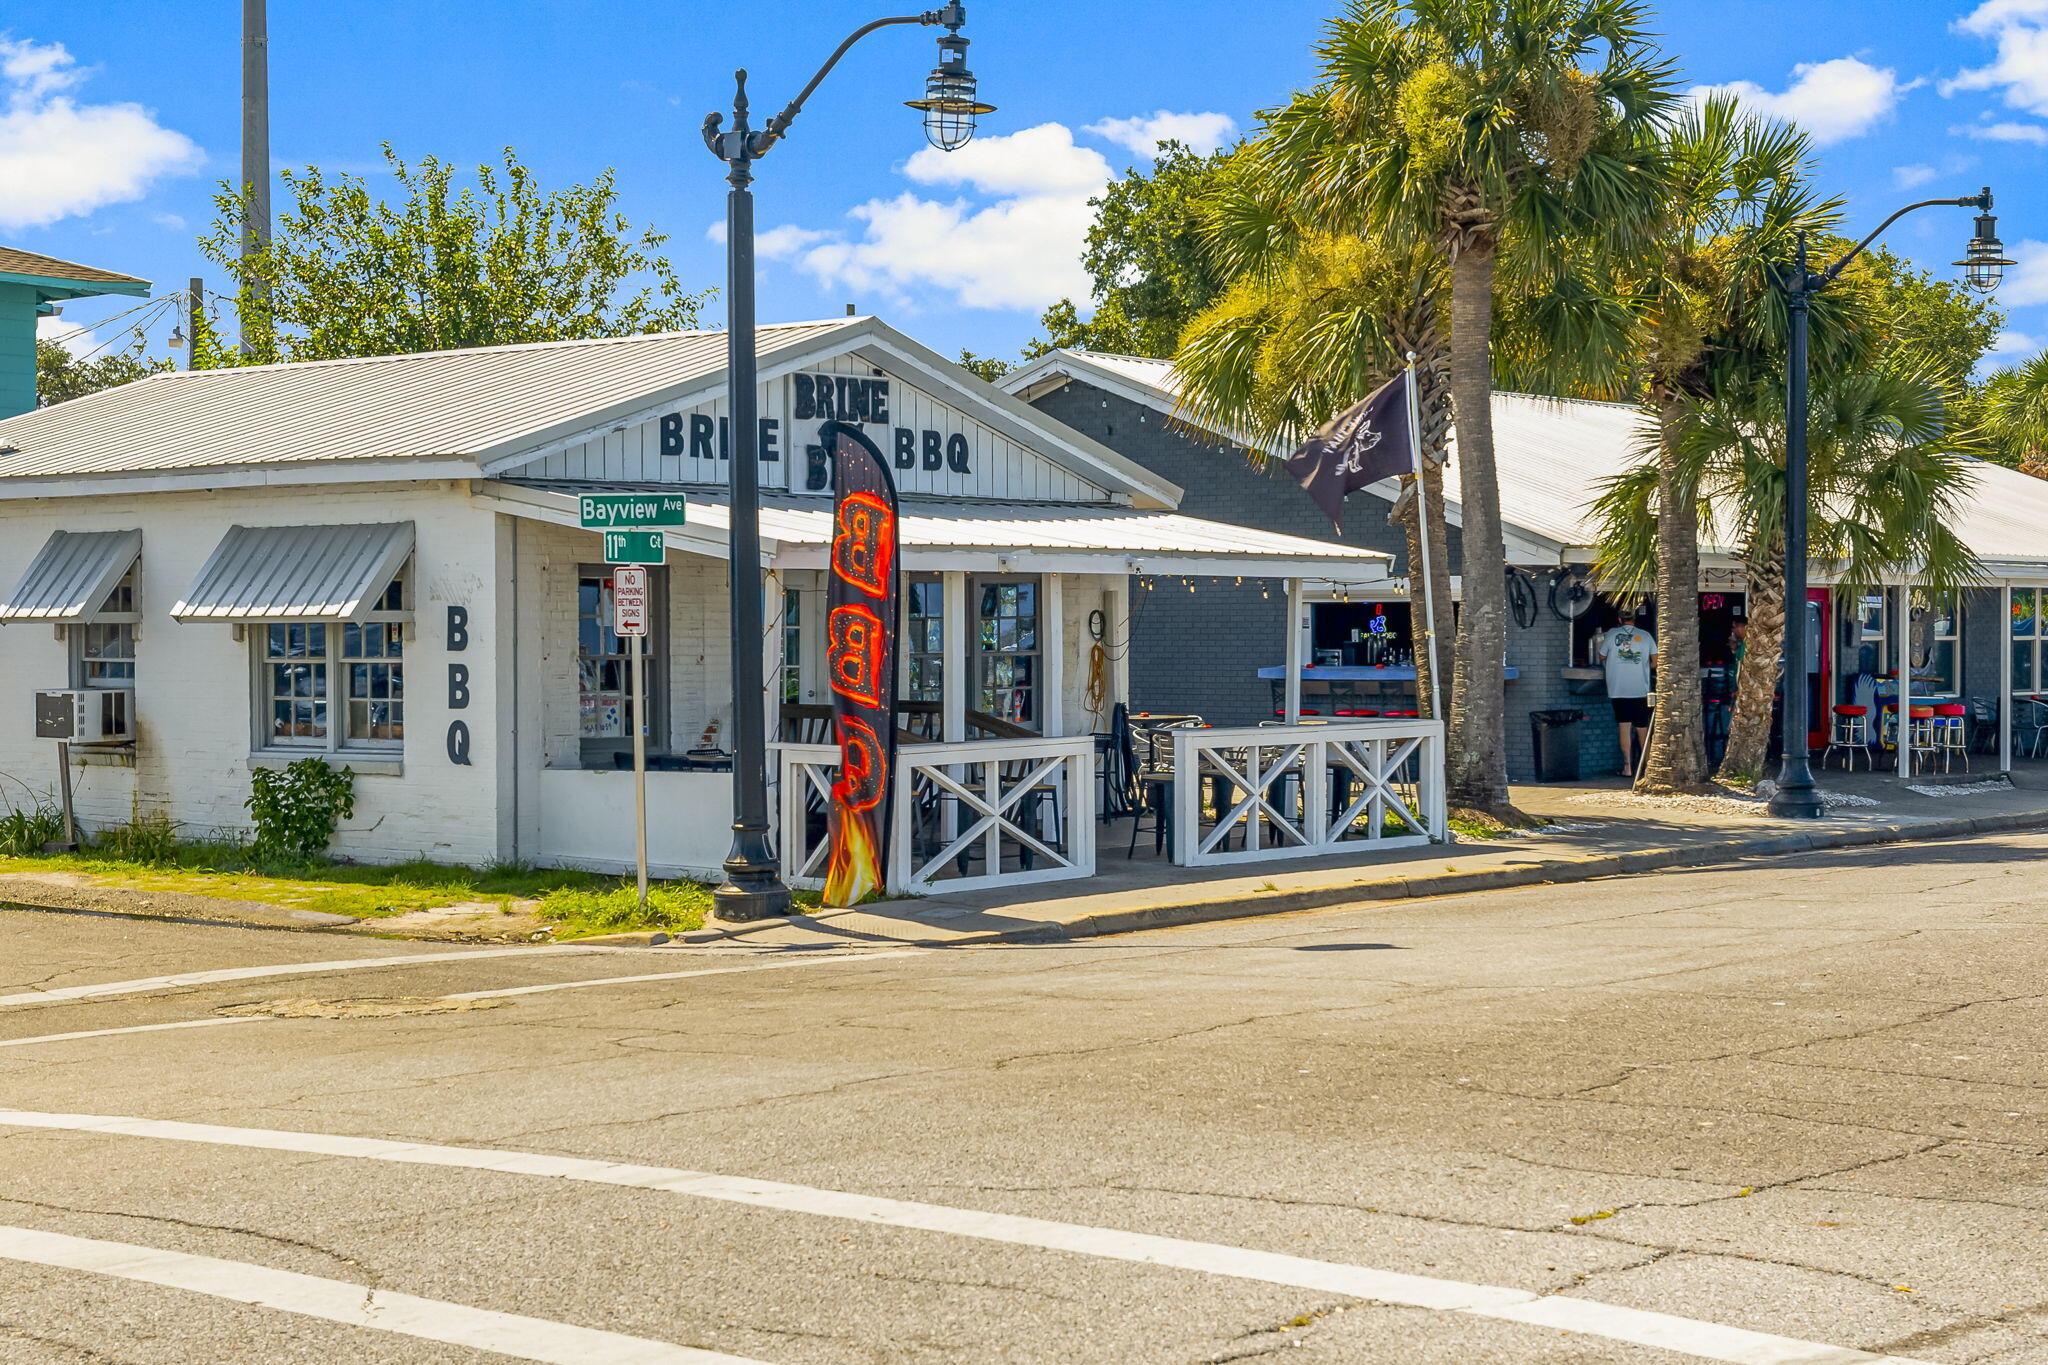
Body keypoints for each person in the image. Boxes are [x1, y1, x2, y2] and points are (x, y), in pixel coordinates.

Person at [1594, 610, 1658, 777]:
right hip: (1641, 690)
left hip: (1618, 690)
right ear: (1635, 620)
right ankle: (1647, 767)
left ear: (1619, 620)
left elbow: (1601, 656)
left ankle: (1627, 767)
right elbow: (1655, 662)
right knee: (1642, 729)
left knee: (1624, 727)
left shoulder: (1612, 634)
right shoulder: (1645, 636)